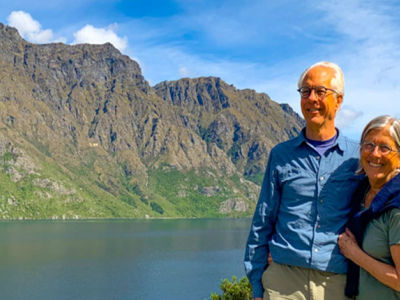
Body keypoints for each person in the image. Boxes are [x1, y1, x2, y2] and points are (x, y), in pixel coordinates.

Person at [244, 61, 363, 300]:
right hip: (283, 282)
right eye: (306, 91)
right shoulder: (281, 155)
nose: (312, 99)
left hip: (336, 282)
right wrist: (257, 285)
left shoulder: (357, 157)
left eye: (321, 91)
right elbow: (262, 221)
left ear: (339, 100)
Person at [338, 115, 400, 299]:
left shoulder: (396, 208)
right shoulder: (361, 193)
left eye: (385, 148)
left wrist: (355, 254)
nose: (374, 154)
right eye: (369, 145)